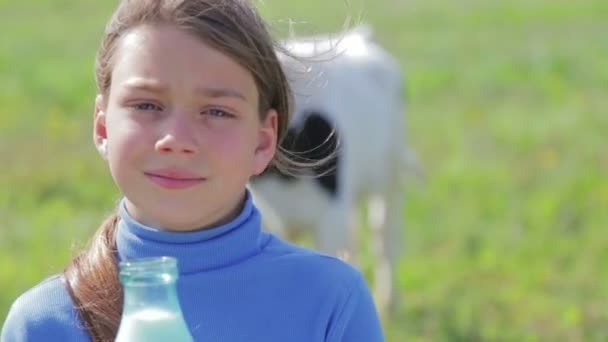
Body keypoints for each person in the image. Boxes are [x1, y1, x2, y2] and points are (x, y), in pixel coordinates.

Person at [1, 0, 384, 341]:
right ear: (103, 127)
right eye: (147, 105)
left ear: (264, 141)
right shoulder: (42, 324)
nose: (176, 139)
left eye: (217, 111)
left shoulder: (330, 303)